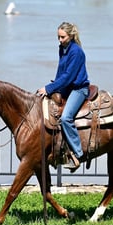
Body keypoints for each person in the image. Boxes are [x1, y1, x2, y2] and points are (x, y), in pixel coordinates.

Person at [37, 22, 90, 170]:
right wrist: (54, 88)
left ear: (71, 36)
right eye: (58, 37)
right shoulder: (63, 48)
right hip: (67, 88)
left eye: (62, 37)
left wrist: (48, 88)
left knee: (66, 117)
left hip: (79, 89)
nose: (59, 40)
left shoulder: (76, 52)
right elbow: (61, 72)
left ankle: (79, 153)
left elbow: (68, 76)